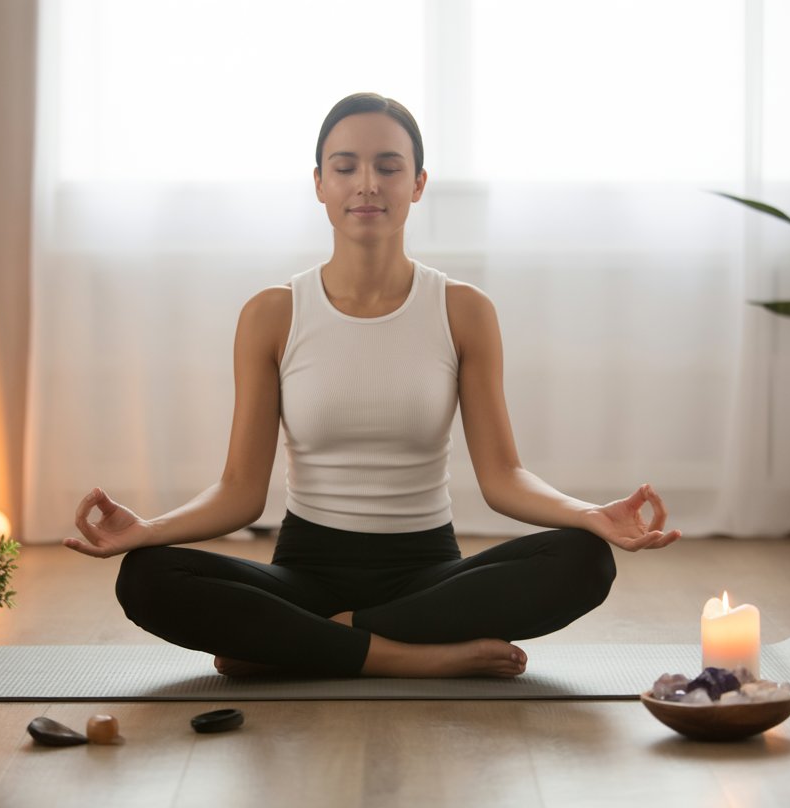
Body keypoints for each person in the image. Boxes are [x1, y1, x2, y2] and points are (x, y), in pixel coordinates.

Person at [66, 92, 682, 679]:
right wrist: (147, 531)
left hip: (426, 575)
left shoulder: (463, 310)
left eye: (389, 167)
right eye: (346, 167)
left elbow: (504, 479)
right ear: (319, 184)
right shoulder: (272, 313)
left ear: (417, 184)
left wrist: (591, 515)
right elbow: (238, 493)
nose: (367, 183)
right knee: (144, 576)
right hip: (304, 574)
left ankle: (307, 645)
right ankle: (413, 657)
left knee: (584, 561)